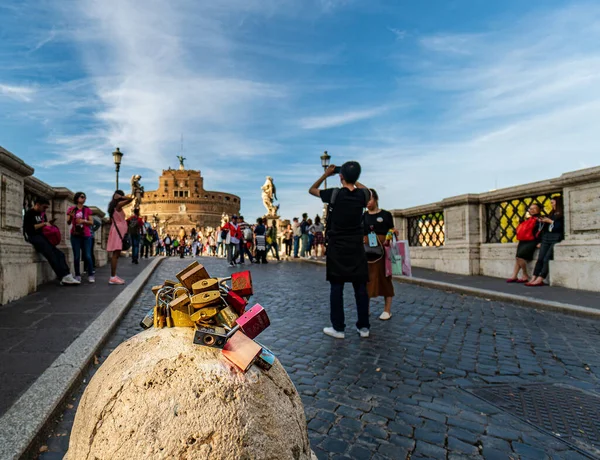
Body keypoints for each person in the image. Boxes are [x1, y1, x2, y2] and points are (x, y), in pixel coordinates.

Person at [309, 161, 371, 339]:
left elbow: (312, 189)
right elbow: (368, 193)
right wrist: (353, 179)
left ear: (340, 176)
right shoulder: (362, 195)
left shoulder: (334, 194)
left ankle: (339, 328)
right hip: (356, 246)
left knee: (337, 287)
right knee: (360, 287)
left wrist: (326, 175)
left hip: (337, 245)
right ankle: (364, 327)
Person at [24, 197, 80, 286]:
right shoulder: (29, 213)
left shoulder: (42, 214)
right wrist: (43, 224)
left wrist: (49, 224)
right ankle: (63, 276)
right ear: (37, 205)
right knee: (51, 255)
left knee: (60, 254)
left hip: (43, 236)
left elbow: (44, 225)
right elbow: (29, 229)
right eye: (44, 207)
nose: (45, 209)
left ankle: (67, 275)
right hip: (34, 236)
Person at [364, 189, 397, 320]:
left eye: (369, 199)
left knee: (385, 278)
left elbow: (391, 229)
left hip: (383, 250)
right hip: (367, 250)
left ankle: (387, 310)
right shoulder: (363, 216)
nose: (367, 203)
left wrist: (388, 238)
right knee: (366, 279)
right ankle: (365, 309)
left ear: (376, 199)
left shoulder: (386, 214)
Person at [526, 197, 565, 287]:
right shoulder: (551, 213)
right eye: (551, 203)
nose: (552, 204)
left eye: (553, 203)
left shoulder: (561, 214)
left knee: (546, 258)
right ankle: (534, 277)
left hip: (555, 237)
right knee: (540, 258)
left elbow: (560, 227)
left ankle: (540, 278)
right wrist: (543, 221)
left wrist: (550, 221)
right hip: (546, 237)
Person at [507, 203, 544, 283]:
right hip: (524, 240)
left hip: (532, 241)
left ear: (539, 209)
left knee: (520, 257)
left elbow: (541, 231)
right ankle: (514, 275)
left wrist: (540, 242)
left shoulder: (540, 219)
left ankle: (525, 274)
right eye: (530, 209)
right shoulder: (529, 219)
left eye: (534, 208)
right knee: (517, 257)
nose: (532, 210)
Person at [107, 190, 134, 284]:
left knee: (116, 254)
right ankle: (112, 277)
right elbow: (131, 199)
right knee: (115, 255)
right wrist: (121, 197)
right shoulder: (118, 206)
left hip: (117, 232)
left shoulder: (113, 207)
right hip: (117, 233)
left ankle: (114, 276)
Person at [67, 192, 95, 283]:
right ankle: (77, 275)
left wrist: (83, 221)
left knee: (87, 255)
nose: (84, 199)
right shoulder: (71, 209)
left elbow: (91, 222)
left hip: (86, 235)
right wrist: (71, 217)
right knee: (76, 256)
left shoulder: (87, 210)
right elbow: (68, 222)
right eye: (82, 197)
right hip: (75, 235)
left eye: (85, 197)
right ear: (77, 198)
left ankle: (91, 274)